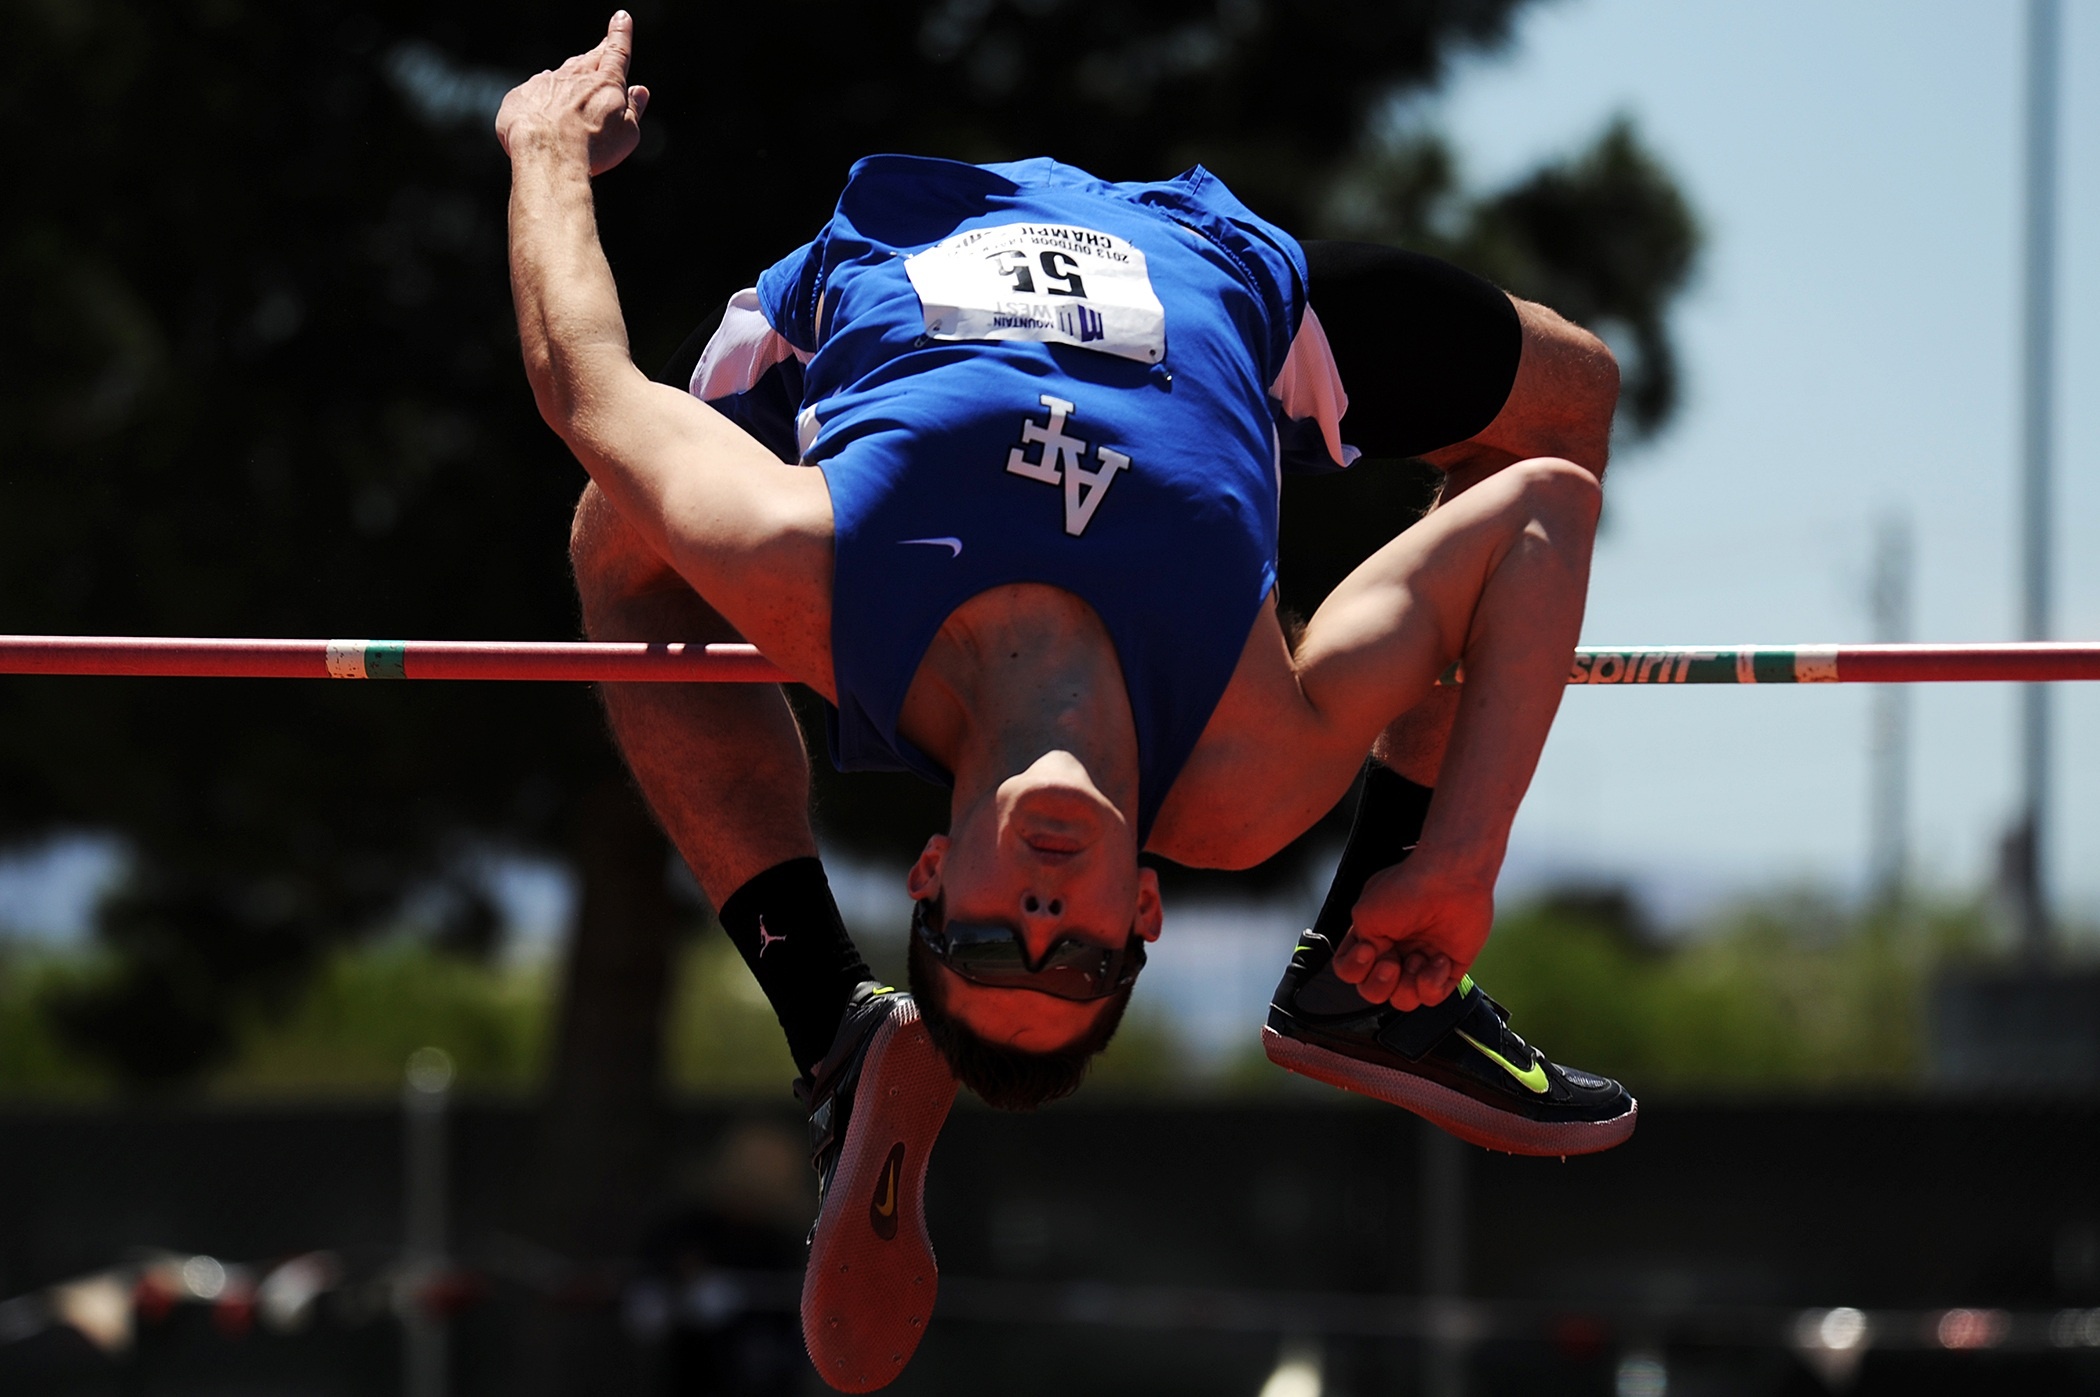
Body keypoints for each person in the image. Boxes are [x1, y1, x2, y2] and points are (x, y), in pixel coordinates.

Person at [499, 15, 1631, 1392]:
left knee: (615, 537)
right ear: (1140, 913)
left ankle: (828, 1019)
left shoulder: (823, 584)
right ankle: (1364, 975)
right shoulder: (1243, 771)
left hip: (900, 251)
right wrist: (1453, 859)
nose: (1039, 921)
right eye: (1080, 960)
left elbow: (585, 383)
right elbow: (1540, 516)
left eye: (987, 941)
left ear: (932, 872)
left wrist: (546, 150)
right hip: (1220, 273)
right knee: (1576, 394)